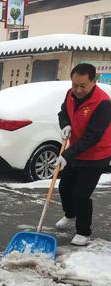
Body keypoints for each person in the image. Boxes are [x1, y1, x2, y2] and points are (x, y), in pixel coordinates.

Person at [55, 63, 111, 246]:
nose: (77, 90)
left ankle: (83, 232)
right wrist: (66, 124)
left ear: (94, 82)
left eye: (83, 86)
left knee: (81, 194)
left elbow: (92, 137)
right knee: (64, 188)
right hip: (76, 151)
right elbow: (63, 111)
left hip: (97, 154)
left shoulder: (103, 103)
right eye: (74, 85)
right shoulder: (70, 94)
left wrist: (67, 155)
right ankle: (70, 214)